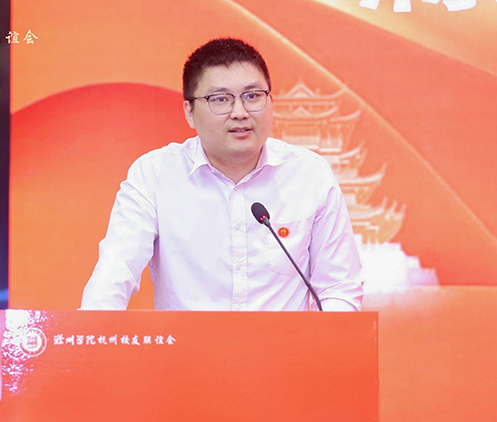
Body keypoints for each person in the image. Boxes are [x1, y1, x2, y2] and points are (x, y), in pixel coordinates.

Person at [80, 37, 363, 311]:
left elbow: (339, 287)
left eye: (252, 96)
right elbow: (115, 273)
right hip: (187, 344)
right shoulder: (155, 175)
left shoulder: (309, 175)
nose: (240, 112)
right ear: (189, 112)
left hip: (287, 345)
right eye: (220, 99)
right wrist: (92, 335)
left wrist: (327, 340)